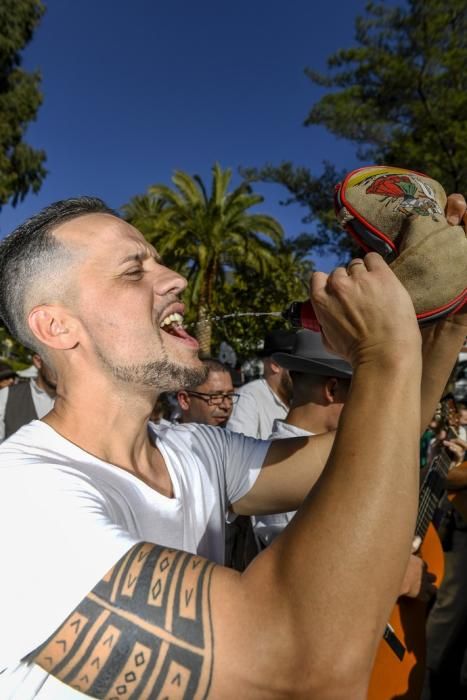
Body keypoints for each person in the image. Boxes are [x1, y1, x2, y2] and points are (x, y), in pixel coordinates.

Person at [0, 196, 464, 699]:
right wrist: (381, 354)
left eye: (159, 261)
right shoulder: (21, 497)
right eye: (134, 270)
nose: (175, 278)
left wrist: (447, 326)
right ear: (56, 326)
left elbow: (380, 443)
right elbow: (302, 667)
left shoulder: (195, 450)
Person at [226, 329, 295, 438]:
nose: (302, 374)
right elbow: (239, 450)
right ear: (275, 365)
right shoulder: (248, 397)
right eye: (296, 366)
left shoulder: (294, 400)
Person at [0, 352, 56, 441]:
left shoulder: (77, 403)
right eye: (56, 362)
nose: (11, 380)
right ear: (38, 361)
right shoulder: (7, 395)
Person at [176, 357, 237, 427]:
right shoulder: (166, 437)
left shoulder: (235, 436)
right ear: (184, 400)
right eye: (215, 396)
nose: (227, 406)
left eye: (230, 395)